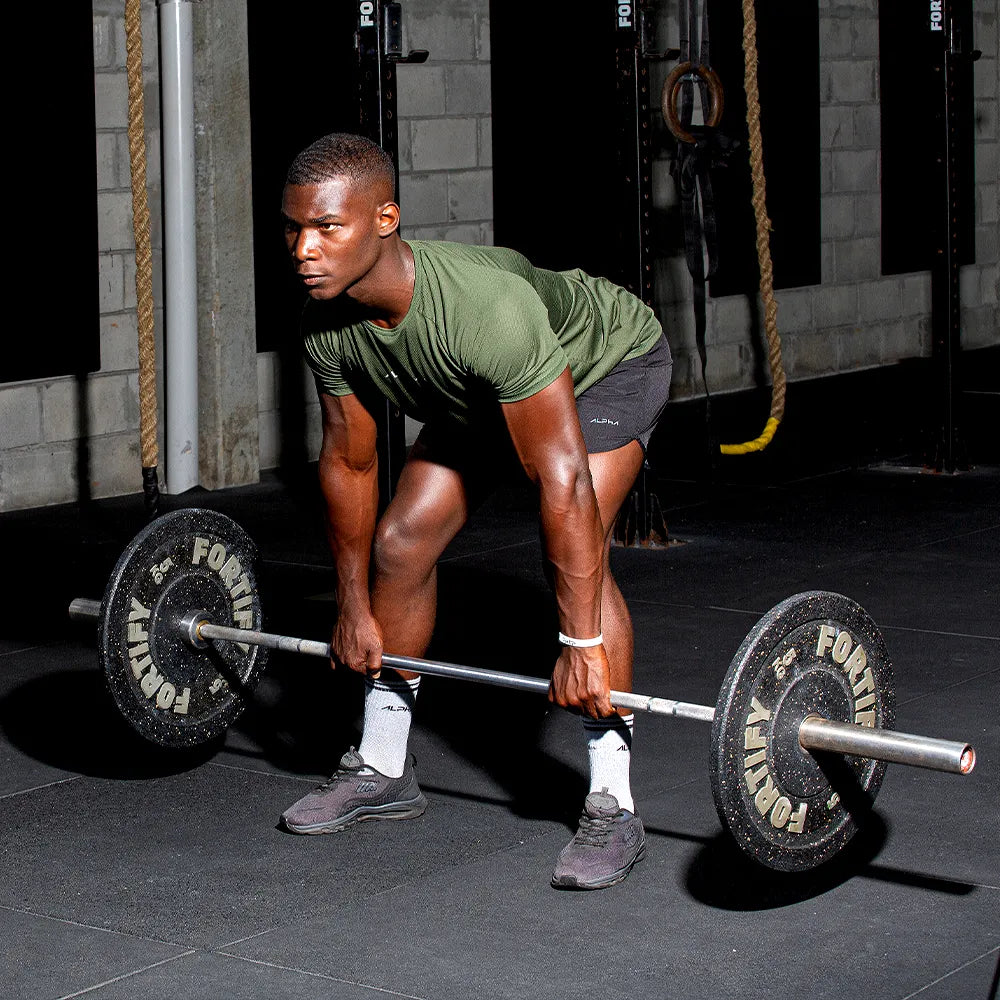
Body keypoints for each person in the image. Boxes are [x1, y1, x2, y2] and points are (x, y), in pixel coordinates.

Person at [278, 133, 671, 890]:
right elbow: (351, 462)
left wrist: (578, 641)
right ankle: (386, 766)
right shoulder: (324, 325)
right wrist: (354, 605)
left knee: (578, 554)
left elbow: (562, 483)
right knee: (400, 543)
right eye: (295, 228)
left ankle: (613, 801)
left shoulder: (482, 309)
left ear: (385, 218)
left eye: (329, 228)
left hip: (606, 364)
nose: (305, 248)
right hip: (486, 389)